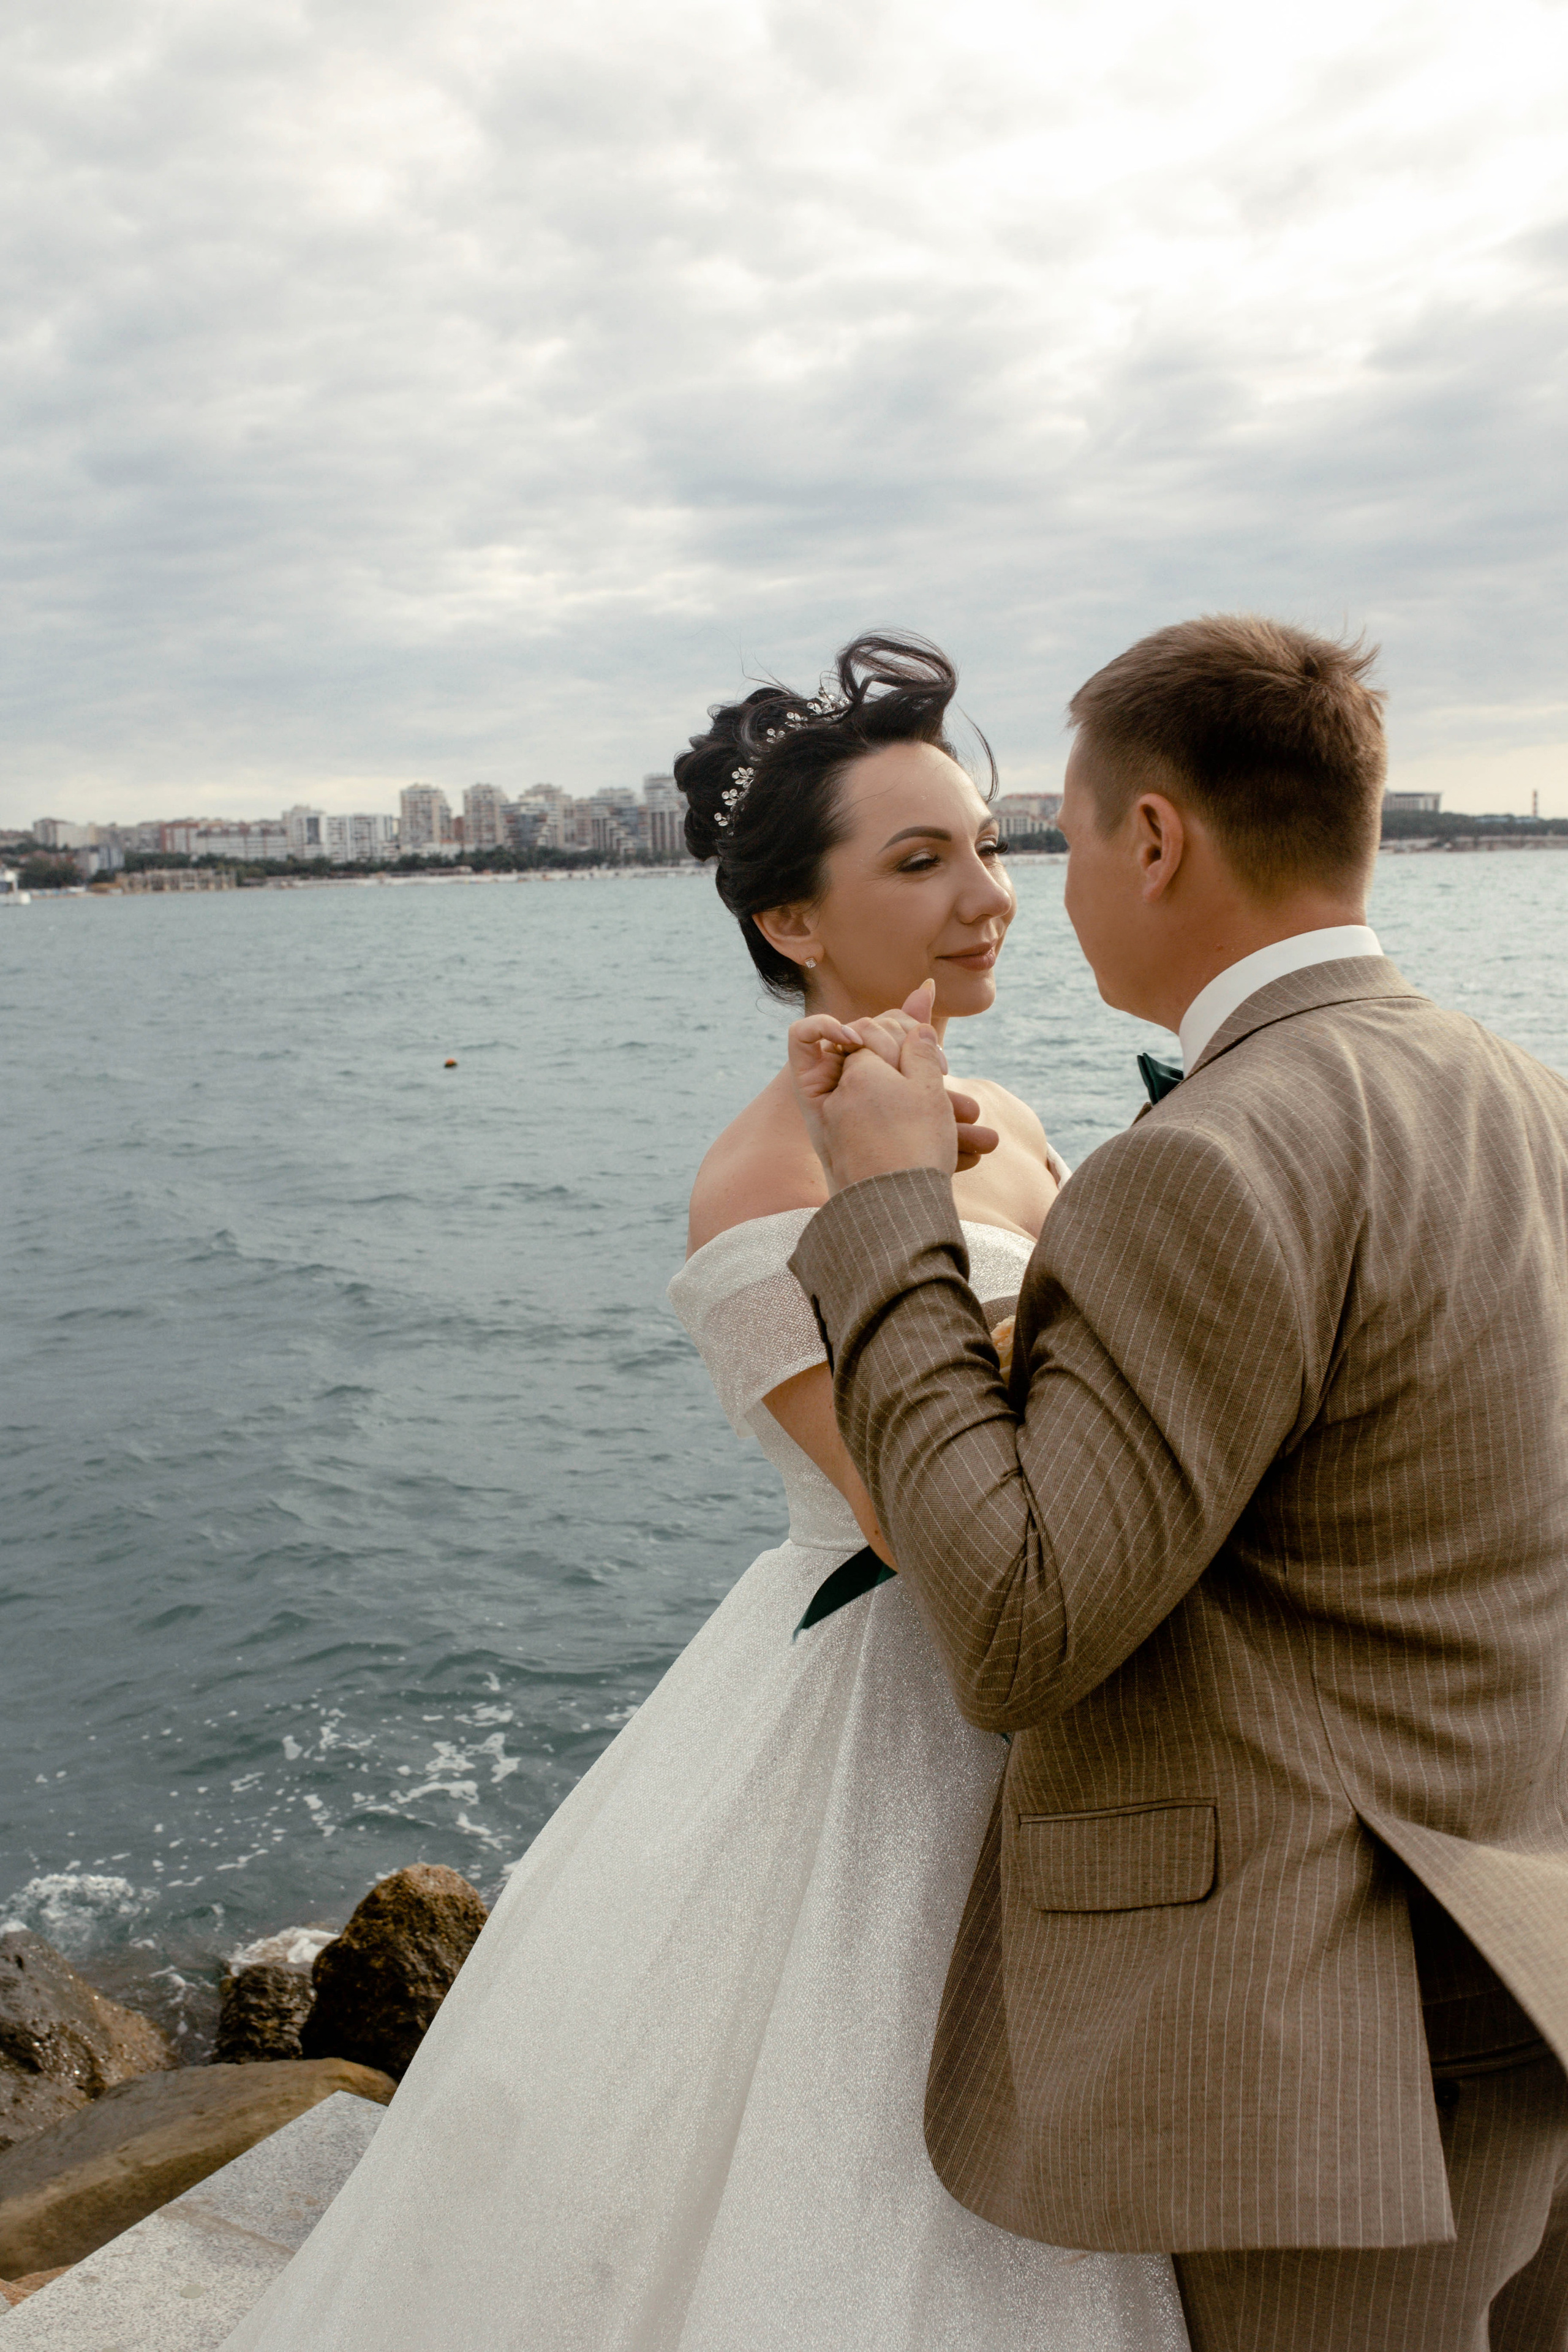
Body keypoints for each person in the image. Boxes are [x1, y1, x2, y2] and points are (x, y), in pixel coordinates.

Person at [221, 636, 1190, 2351]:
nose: (988, 898)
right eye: (921, 862)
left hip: (1087, 1666)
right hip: (911, 1707)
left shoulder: (1015, 1114)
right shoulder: (755, 1182)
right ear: (793, 922)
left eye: (987, 848)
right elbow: (917, 1520)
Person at [786, 615, 1568, 2352]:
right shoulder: (1528, 1095)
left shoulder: (1210, 1154)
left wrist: (890, 1211)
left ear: (1153, 839)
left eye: (1056, 839)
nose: (1036, 893)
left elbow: (1020, 1626)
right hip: (1523, 1950)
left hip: (1332, 2045)